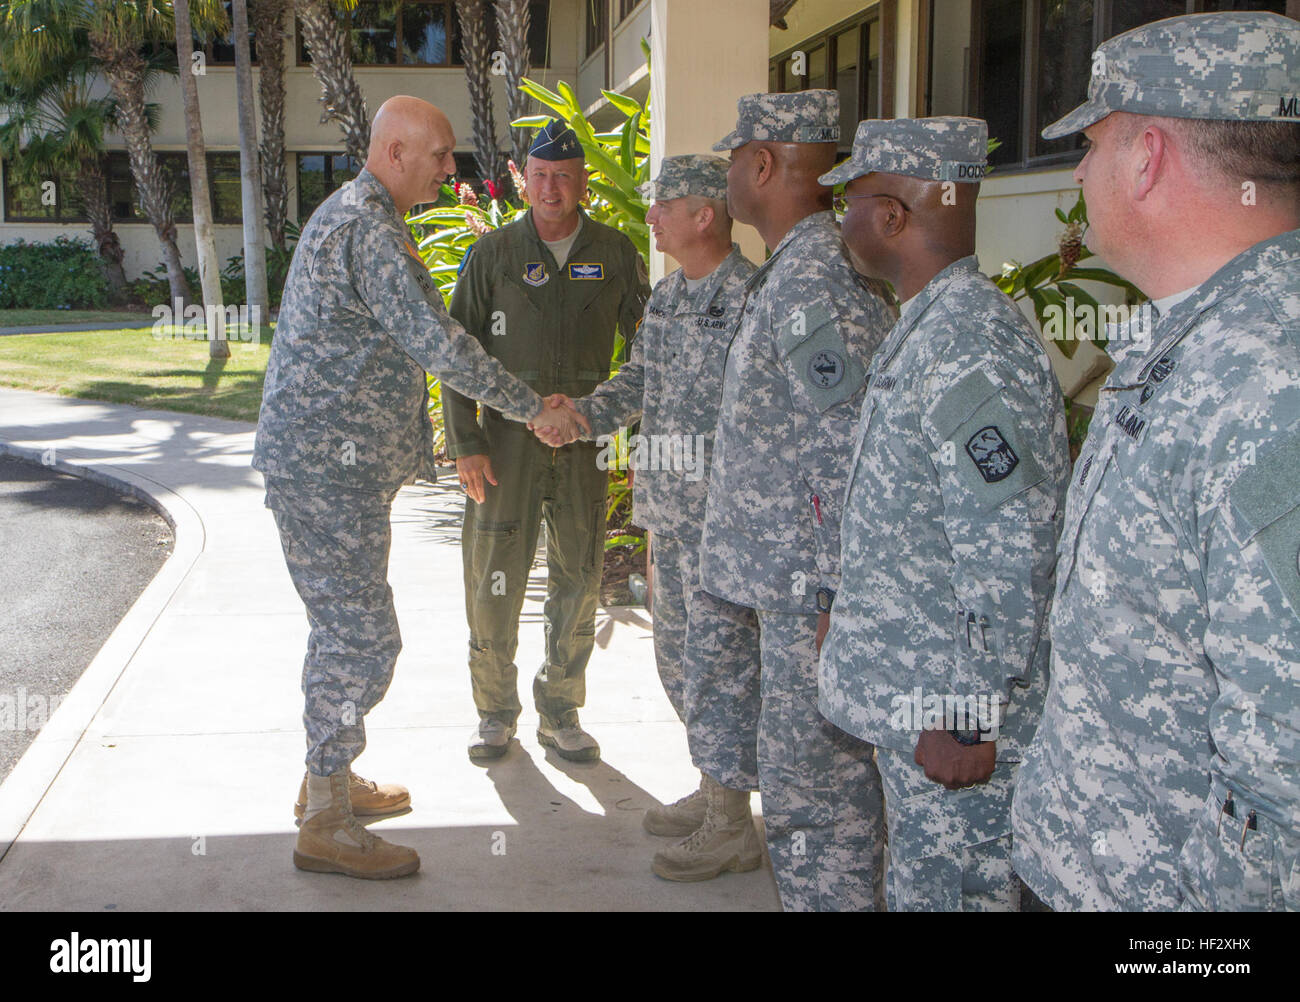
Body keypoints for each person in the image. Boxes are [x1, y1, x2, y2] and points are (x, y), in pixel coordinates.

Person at [1009, 10, 1300, 911]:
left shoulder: (1269, 376)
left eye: (1090, 145)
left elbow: (1284, 774)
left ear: (1147, 156)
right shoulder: (1200, 334)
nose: (1081, 172)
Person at [254, 96, 585, 880]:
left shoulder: (363, 214)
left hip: (337, 471)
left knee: (344, 629)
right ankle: (327, 818)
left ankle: (324, 781)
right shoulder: (368, 228)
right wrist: (533, 408)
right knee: (361, 639)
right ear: (395, 152)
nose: (450, 167)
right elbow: (440, 343)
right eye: (439, 154)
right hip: (325, 474)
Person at [816, 117, 1070, 911]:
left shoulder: (968, 341)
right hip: (913, 693)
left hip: (949, 714)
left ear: (892, 215)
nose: (841, 220)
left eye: (849, 200)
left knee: (954, 894)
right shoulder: (926, 323)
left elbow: (1008, 539)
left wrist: (968, 710)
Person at [685, 91, 895, 907]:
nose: (728, 174)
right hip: (790, 585)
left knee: (817, 795)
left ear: (763, 165)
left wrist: (839, 590)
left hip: (810, 592)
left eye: (736, 158)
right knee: (803, 785)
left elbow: (847, 442)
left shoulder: (811, 278)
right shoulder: (799, 269)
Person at [535, 155, 759, 873]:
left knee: (722, 668)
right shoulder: (666, 297)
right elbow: (637, 378)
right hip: (669, 513)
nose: (652, 215)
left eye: (665, 204)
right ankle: (714, 783)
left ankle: (732, 823)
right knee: (681, 663)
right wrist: (582, 417)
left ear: (704, 215)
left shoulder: (754, 298)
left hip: (726, 521)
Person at [442, 119, 650, 764]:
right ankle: (494, 711)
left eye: (563, 176)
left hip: (584, 440)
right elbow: (455, 351)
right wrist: (466, 441)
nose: (551, 188)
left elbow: (651, 351)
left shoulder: (615, 253)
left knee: (579, 575)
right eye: (540, 176)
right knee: (494, 576)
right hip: (505, 444)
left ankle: (560, 708)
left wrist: (628, 436)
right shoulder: (495, 254)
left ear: (583, 182)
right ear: (522, 180)